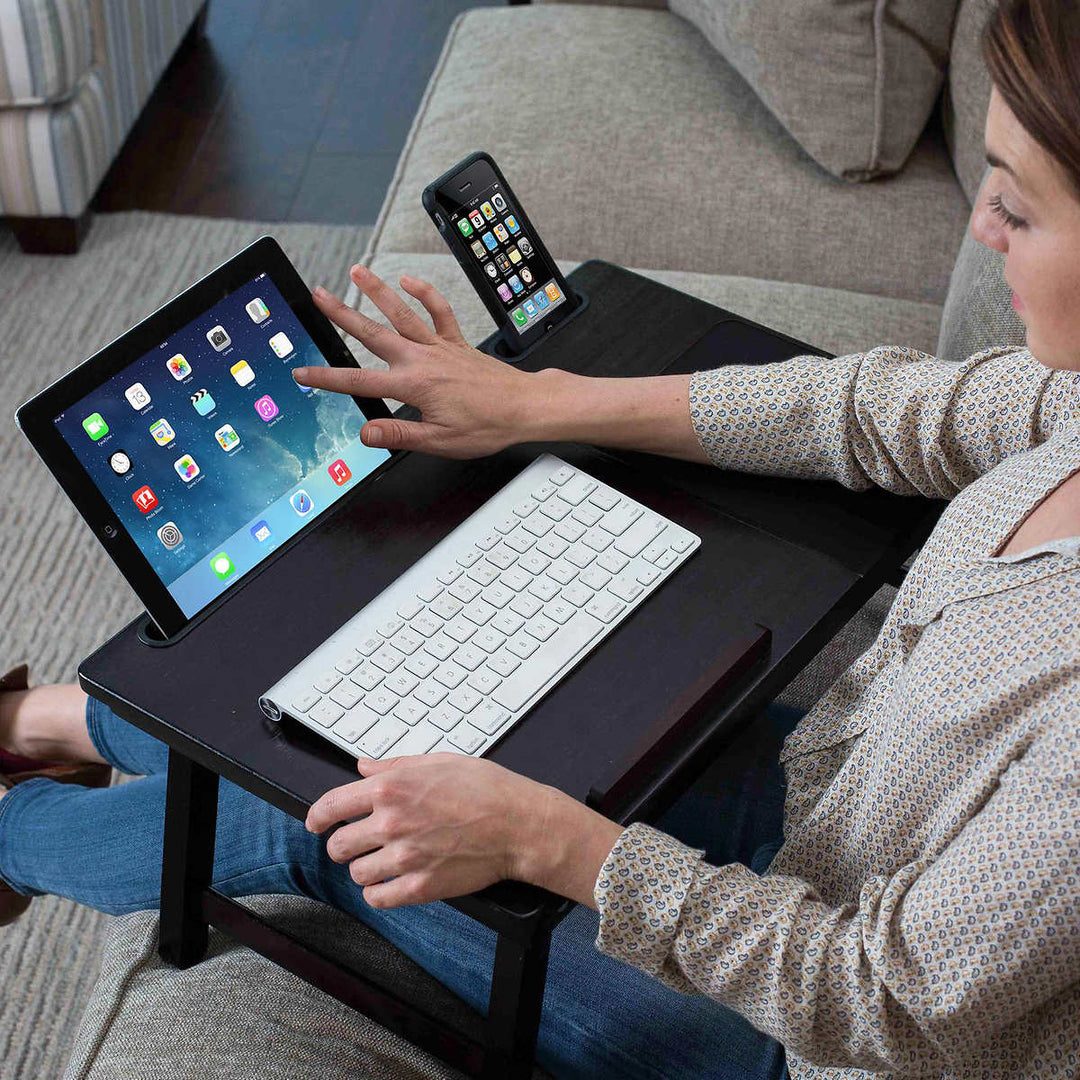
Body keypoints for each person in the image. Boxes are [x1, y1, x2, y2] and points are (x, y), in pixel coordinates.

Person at [2, 1, 1079, 1075]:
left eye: (1020, 208)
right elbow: (877, 413)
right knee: (347, 701)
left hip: (808, 1041)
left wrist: (543, 837)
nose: (982, 226)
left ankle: (11, 826)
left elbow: (883, 999)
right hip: (835, 797)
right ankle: (49, 722)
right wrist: (536, 402)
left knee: (317, 816)